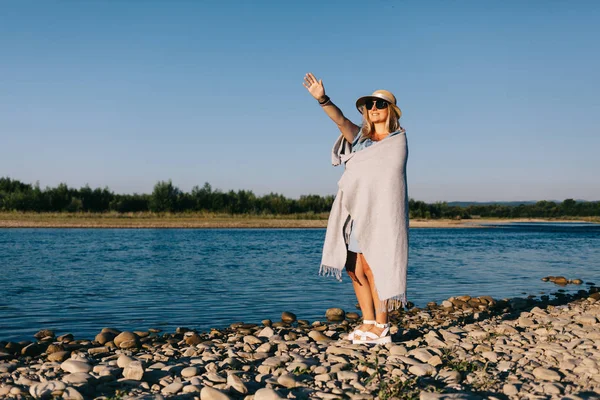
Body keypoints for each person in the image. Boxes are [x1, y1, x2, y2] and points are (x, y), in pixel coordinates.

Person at [303, 72, 409, 345]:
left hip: (380, 214)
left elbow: (389, 180)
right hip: (354, 212)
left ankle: (382, 327)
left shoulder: (396, 141)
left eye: (380, 104)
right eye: (369, 105)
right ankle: (368, 321)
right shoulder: (360, 139)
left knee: (376, 267)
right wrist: (322, 99)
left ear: (391, 111)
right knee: (354, 267)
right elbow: (339, 120)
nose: (373, 109)